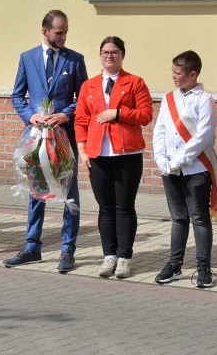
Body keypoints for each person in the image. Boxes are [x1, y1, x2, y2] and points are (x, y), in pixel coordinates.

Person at [4, 9, 88, 273]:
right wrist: (31, 117)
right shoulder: (27, 58)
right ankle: (32, 247)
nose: (63, 37)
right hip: (37, 138)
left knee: (68, 193)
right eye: (58, 32)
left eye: (65, 33)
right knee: (36, 191)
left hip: (65, 138)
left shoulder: (75, 60)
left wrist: (65, 114)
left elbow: (82, 99)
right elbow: (17, 96)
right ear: (45, 31)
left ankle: (67, 250)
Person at [74, 36, 152, 279]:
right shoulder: (89, 85)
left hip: (127, 154)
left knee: (124, 207)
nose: (110, 56)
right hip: (99, 154)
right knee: (105, 208)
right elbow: (81, 120)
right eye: (105, 52)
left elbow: (145, 114)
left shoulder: (135, 82)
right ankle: (109, 255)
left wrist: (117, 113)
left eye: (115, 52)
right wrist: (82, 150)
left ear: (122, 55)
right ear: (100, 56)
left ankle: (125, 257)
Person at [153, 50, 217, 288]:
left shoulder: (204, 100)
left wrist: (178, 160)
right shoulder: (168, 98)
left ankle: (203, 268)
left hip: (195, 168)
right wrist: (161, 158)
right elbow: (160, 130)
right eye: (173, 72)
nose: (174, 77)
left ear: (192, 73)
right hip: (170, 169)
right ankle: (175, 265)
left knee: (199, 218)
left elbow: (202, 137)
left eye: (178, 73)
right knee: (178, 218)